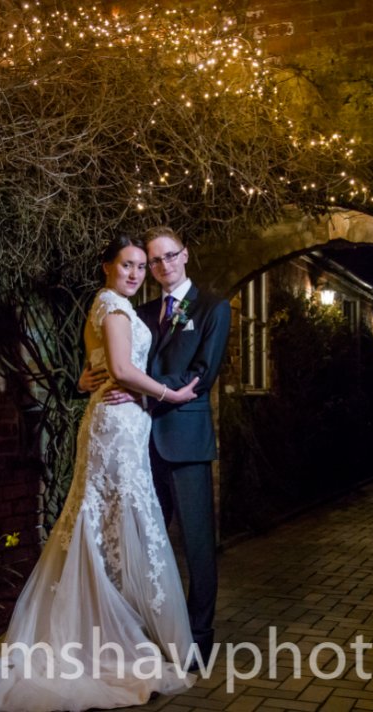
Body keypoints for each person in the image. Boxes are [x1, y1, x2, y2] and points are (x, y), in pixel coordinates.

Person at [0, 236, 199, 711]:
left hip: (111, 422)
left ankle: (102, 625)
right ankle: (104, 634)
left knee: (104, 521)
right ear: (106, 266)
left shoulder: (104, 306)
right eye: (126, 264)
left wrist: (96, 379)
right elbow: (123, 370)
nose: (135, 273)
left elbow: (93, 371)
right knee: (119, 520)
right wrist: (171, 395)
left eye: (142, 267)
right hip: (117, 424)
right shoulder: (115, 307)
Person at [81, 226, 230, 664]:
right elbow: (114, 359)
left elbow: (202, 374)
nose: (162, 265)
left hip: (185, 441)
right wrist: (86, 376)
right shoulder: (138, 310)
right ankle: (146, 630)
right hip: (138, 442)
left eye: (169, 256)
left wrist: (146, 390)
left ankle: (199, 638)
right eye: (153, 260)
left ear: (185, 255)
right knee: (144, 541)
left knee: (198, 545)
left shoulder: (212, 308)